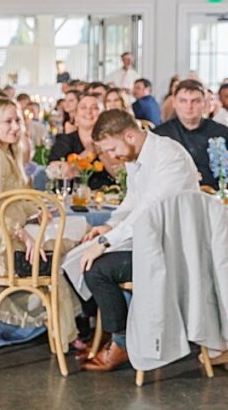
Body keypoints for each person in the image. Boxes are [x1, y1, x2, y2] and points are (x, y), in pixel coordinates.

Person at [66, 109, 200, 371]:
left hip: (171, 248)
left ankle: (122, 343)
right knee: (75, 257)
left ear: (129, 135)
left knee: (97, 268)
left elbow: (147, 209)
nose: (112, 157)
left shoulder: (167, 155)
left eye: (113, 148)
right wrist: (107, 225)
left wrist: (105, 242)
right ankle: (103, 335)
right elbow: (132, 202)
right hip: (150, 239)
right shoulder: (135, 154)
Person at [0, 98, 80, 347]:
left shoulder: (4, 154)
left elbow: (10, 200)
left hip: (1, 244)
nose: (16, 127)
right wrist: (20, 233)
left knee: (68, 248)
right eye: (8, 121)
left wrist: (34, 210)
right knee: (70, 249)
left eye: (18, 120)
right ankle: (66, 333)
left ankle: (64, 330)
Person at [152, 80, 228, 189]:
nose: (189, 106)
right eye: (183, 101)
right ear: (174, 103)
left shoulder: (223, 133)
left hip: (213, 196)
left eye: (195, 101)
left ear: (205, 104)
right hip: (172, 195)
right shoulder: (159, 135)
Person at [47, 93, 117, 190]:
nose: (88, 111)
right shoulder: (64, 140)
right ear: (75, 117)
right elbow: (54, 171)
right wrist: (89, 153)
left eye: (94, 108)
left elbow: (119, 175)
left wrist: (100, 151)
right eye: (83, 107)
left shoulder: (112, 142)